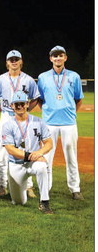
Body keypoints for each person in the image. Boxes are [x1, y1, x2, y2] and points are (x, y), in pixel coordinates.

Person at [37, 45, 84, 200]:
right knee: (47, 157)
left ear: (65, 58)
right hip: (49, 123)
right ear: (50, 58)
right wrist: (49, 112)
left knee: (71, 156)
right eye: (55, 56)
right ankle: (46, 188)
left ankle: (75, 188)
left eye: (60, 55)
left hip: (69, 123)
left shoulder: (74, 76)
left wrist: (69, 113)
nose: (58, 58)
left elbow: (78, 99)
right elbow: (40, 99)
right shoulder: (43, 77)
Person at [0, 50, 40, 198]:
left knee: (27, 148)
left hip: (24, 117)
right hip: (6, 115)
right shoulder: (0, 80)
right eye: (11, 60)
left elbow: (35, 98)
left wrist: (25, 112)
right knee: (3, 152)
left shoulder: (29, 80)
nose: (14, 62)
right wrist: (4, 112)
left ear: (21, 62)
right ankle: (2, 185)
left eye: (16, 59)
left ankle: (28, 186)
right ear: (7, 63)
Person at [2, 91, 54, 214]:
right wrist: (31, 156)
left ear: (27, 104)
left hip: (34, 163)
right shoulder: (7, 125)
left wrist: (39, 153)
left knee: (42, 167)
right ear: (12, 106)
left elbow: (49, 143)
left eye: (22, 103)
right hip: (16, 164)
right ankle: (21, 193)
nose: (19, 106)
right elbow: (10, 149)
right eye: (16, 104)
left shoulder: (38, 121)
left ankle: (44, 202)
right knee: (19, 201)